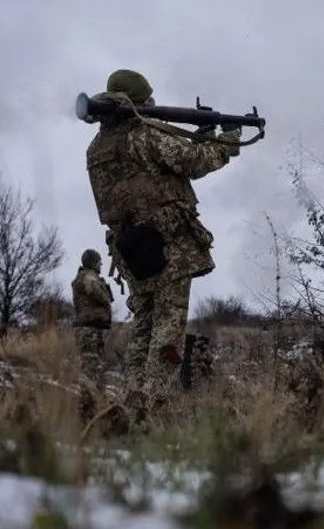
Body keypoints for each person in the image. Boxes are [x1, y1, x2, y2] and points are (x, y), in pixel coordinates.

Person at [83, 68, 240, 413]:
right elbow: (193, 162)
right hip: (167, 244)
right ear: (139, 101)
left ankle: (129, 401)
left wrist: (201, 135)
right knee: (167, 329)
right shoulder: (143, 134)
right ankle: (153, 408)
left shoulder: (97, 148)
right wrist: (227, 141)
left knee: (144, 326)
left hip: (130, 249)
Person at [71, 248, 114, 388]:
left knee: (94, 368)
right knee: (90, 369)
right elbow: (101, 297)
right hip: (89, 330)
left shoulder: (83, 276)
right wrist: (105, 291)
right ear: (93, 263)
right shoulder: (89, 277)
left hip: (90, 328)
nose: (101, 265)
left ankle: (94, 404)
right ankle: (88, 405)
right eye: (99, 263)